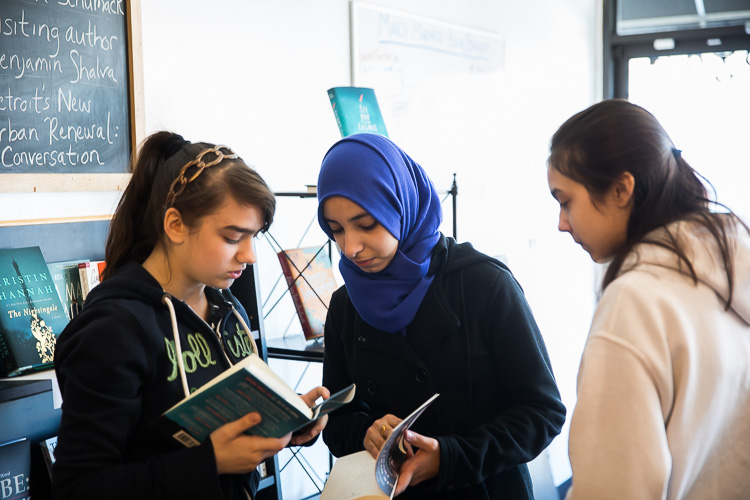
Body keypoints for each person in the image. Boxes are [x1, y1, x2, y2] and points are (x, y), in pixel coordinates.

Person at [53, 131, 329, 500]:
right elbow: (77, 489)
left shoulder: (228, 309)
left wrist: (282, 421)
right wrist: (210, 462)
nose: (250, 256)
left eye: (255, 237)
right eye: (233, 237)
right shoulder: (113, 330)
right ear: (175, 225)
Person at [316, 133, 566, 498]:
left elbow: (542, 412)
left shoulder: (483, 283)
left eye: (366, 224)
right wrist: (366, 431)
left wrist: (450, 457)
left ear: (401, 204)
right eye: (335, 230)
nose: (350, 247)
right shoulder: (345, 305)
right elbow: (336, 421)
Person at [546, 99, 750, 499]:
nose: (561, 223)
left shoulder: (635, 302)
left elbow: (614, 488)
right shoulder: (732, 267)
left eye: (565, 200)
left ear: (622, 188)